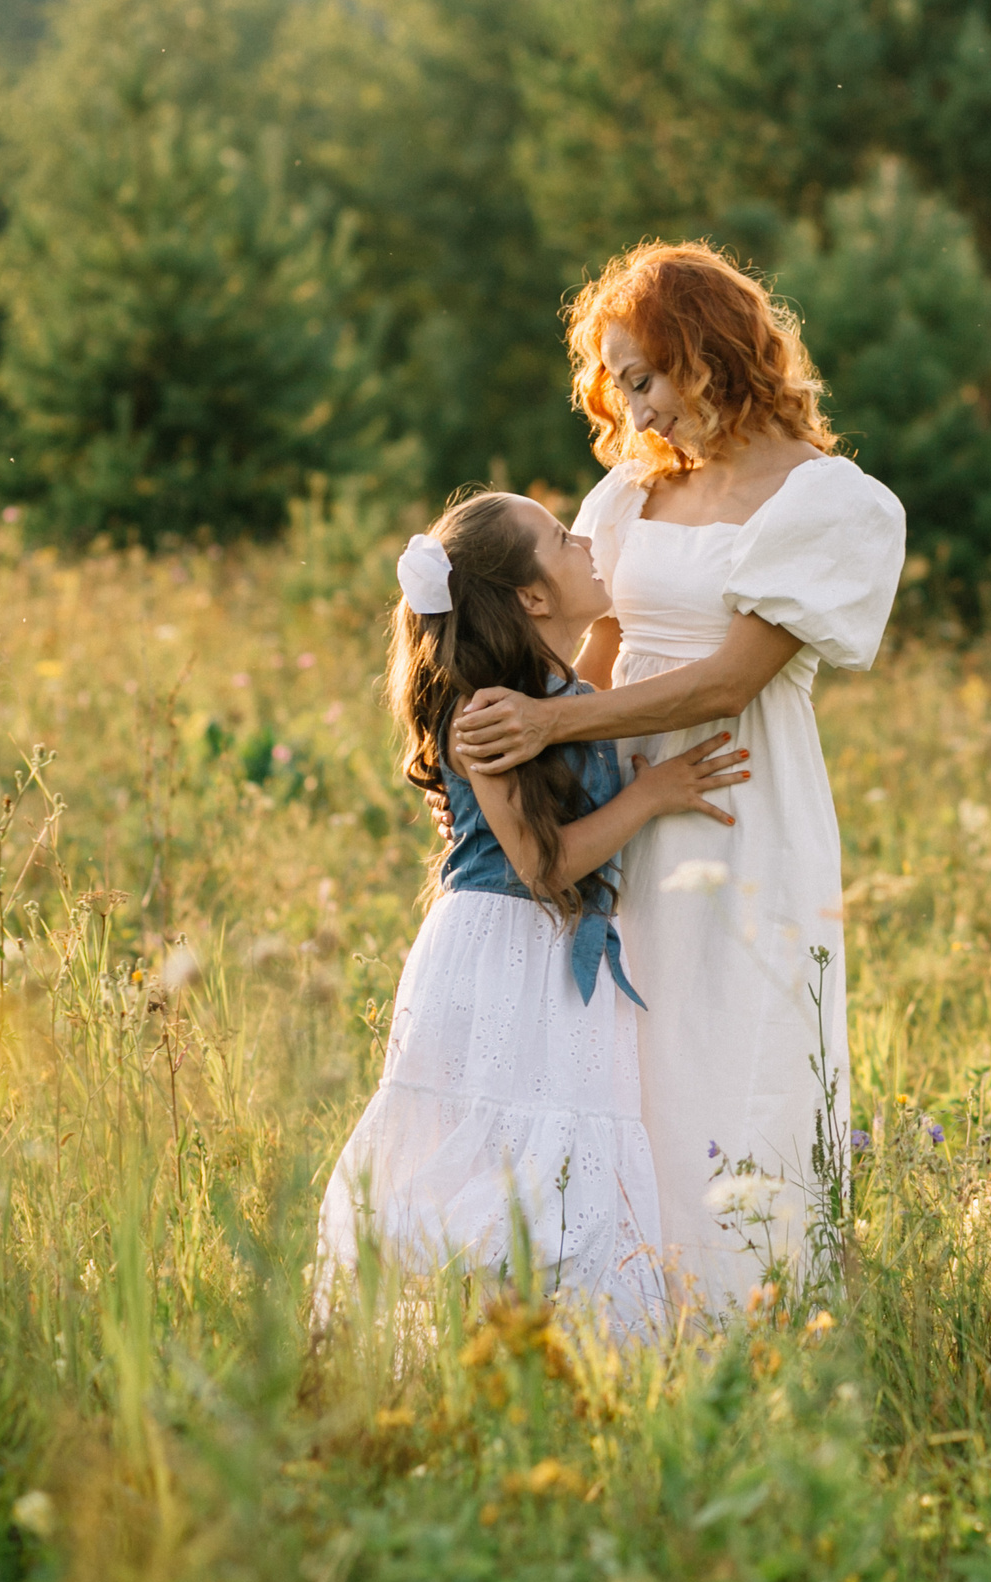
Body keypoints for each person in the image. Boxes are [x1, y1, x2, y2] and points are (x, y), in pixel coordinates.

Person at [450, 241, 906, 1313]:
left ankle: (750, 1308)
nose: (632, 408)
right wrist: (519, 763)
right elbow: (590, 657)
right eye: (616, 384)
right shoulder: (631, 493)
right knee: (620, 1054)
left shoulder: (824, 501)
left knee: (734, 1045)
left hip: (739, 801)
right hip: (627, 804)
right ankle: (623, 1304)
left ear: (707, 351)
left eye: (643, 376)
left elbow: (728, 681)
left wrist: (556, 728)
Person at [316, 486, 750, 1337]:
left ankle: (557, 1352)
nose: (585, 540)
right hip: (502, 949)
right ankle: (463, 1344)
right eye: (560, 535)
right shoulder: (488, 708)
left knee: (556, 1152)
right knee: (494, 1151)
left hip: (556, 957)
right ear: (534, 598)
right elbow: (544, 865)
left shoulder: (560, 694)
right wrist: (654, 792)